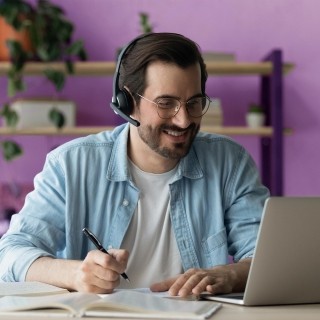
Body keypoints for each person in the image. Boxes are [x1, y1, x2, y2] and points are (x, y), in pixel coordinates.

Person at [0, 32, 269, 297]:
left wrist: (229, 274)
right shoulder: (71, 165)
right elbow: (11, 253)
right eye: (166, 103)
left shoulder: (230, 162)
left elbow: (266, 257)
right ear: (126, 103)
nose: (184, 120)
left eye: (194, 103)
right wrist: (74, 274)